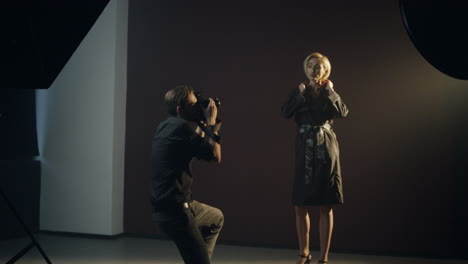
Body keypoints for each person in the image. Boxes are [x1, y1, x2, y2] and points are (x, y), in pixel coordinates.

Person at [281, 52, 349, 264]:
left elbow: (343, 113)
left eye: (319, 66)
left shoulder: (330, 92)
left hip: (326, 148)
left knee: (326, 204)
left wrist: (331, 92)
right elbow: (285, 112)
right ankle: (304, 252)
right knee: (300, 204)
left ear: (326, 70)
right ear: (306, 69)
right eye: (311, 66)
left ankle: (324, 257)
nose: (314, 70)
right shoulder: (300, 90)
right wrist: (299, 94)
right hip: (304, 148)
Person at [151, 85, 224, 264]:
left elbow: (191, 148)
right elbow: (215, 157)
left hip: (166, 208)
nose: (197, 107)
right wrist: (213, 127)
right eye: (193, 105)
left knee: (215, 217)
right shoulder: (182, 129)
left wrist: (203, 124)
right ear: (180, 109)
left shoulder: (166, 126)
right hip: (177, 213)